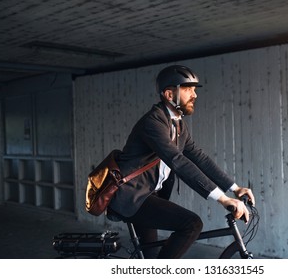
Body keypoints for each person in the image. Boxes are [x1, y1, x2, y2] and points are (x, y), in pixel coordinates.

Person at [107, 64, 255, 258]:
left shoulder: (177, 123)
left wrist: (234, 188)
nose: (194, 95)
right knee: (191, 224)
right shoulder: (153, 123)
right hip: (132, 197)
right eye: (187, 89)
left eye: (194, 90)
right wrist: (223, 199)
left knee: (151, 258)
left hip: (149, 195)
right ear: (169, 95)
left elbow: (198, 157)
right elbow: (177, 161)